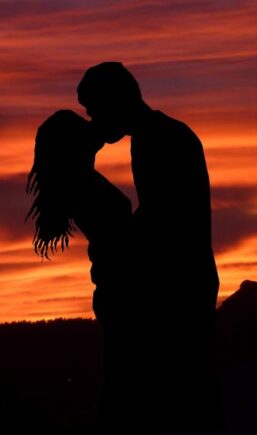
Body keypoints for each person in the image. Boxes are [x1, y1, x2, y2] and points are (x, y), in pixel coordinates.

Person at [76, 62, 223, 432]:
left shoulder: (158, 140)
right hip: (186, 282)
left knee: (169, 401)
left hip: (176, 290)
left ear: (116, 102)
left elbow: (163, 218)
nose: (92, 119)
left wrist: (115, 245)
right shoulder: (160, 135)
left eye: (94, 109)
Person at [26, 110, 144, 430]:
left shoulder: (80, 183)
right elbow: (121, 234)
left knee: (122, 380)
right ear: (73, 147)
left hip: (116, 289)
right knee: (125, 384)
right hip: (121, 291)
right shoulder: (82, 185)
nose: (90, 129)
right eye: (82, 130)